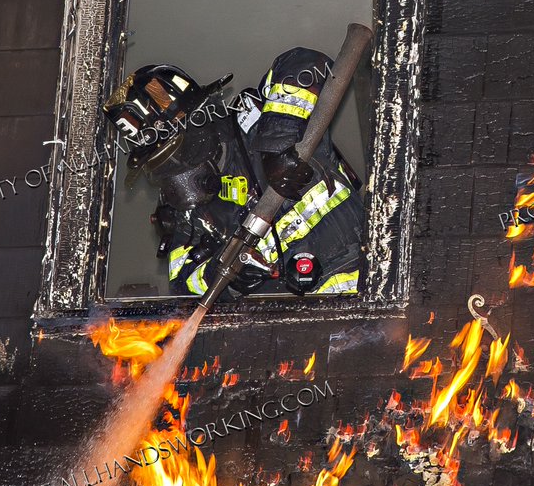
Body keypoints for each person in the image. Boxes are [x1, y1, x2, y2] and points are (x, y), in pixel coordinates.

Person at [101, 48, 364, 300]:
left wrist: (279, 142)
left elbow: (305, 61)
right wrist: (220, 273)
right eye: (161, 163)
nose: (175, 169)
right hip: (293, 327)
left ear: (197, 122)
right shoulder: (184, 208)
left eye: (174, 152)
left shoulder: (259, 122)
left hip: (368, 288)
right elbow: (182, 282)